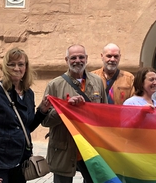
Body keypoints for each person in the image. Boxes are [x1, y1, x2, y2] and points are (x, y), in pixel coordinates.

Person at [0, 48, 51, 183]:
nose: (16, 68)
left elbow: (26, 127)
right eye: (11, 64)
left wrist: (42, 111)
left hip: (19, 165)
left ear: (26, 67)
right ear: (5, 67)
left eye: (20, 64)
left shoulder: (28, 94)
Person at [42, 44, 107, 183]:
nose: (78, 60)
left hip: (90, 147)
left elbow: (104, 113)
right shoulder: (54, 85)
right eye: (73, 58)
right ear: (66, 60)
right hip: (64, 147)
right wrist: (65, 108)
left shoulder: (97, 82)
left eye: (81, 57)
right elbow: (45, 121)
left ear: (86, 58)